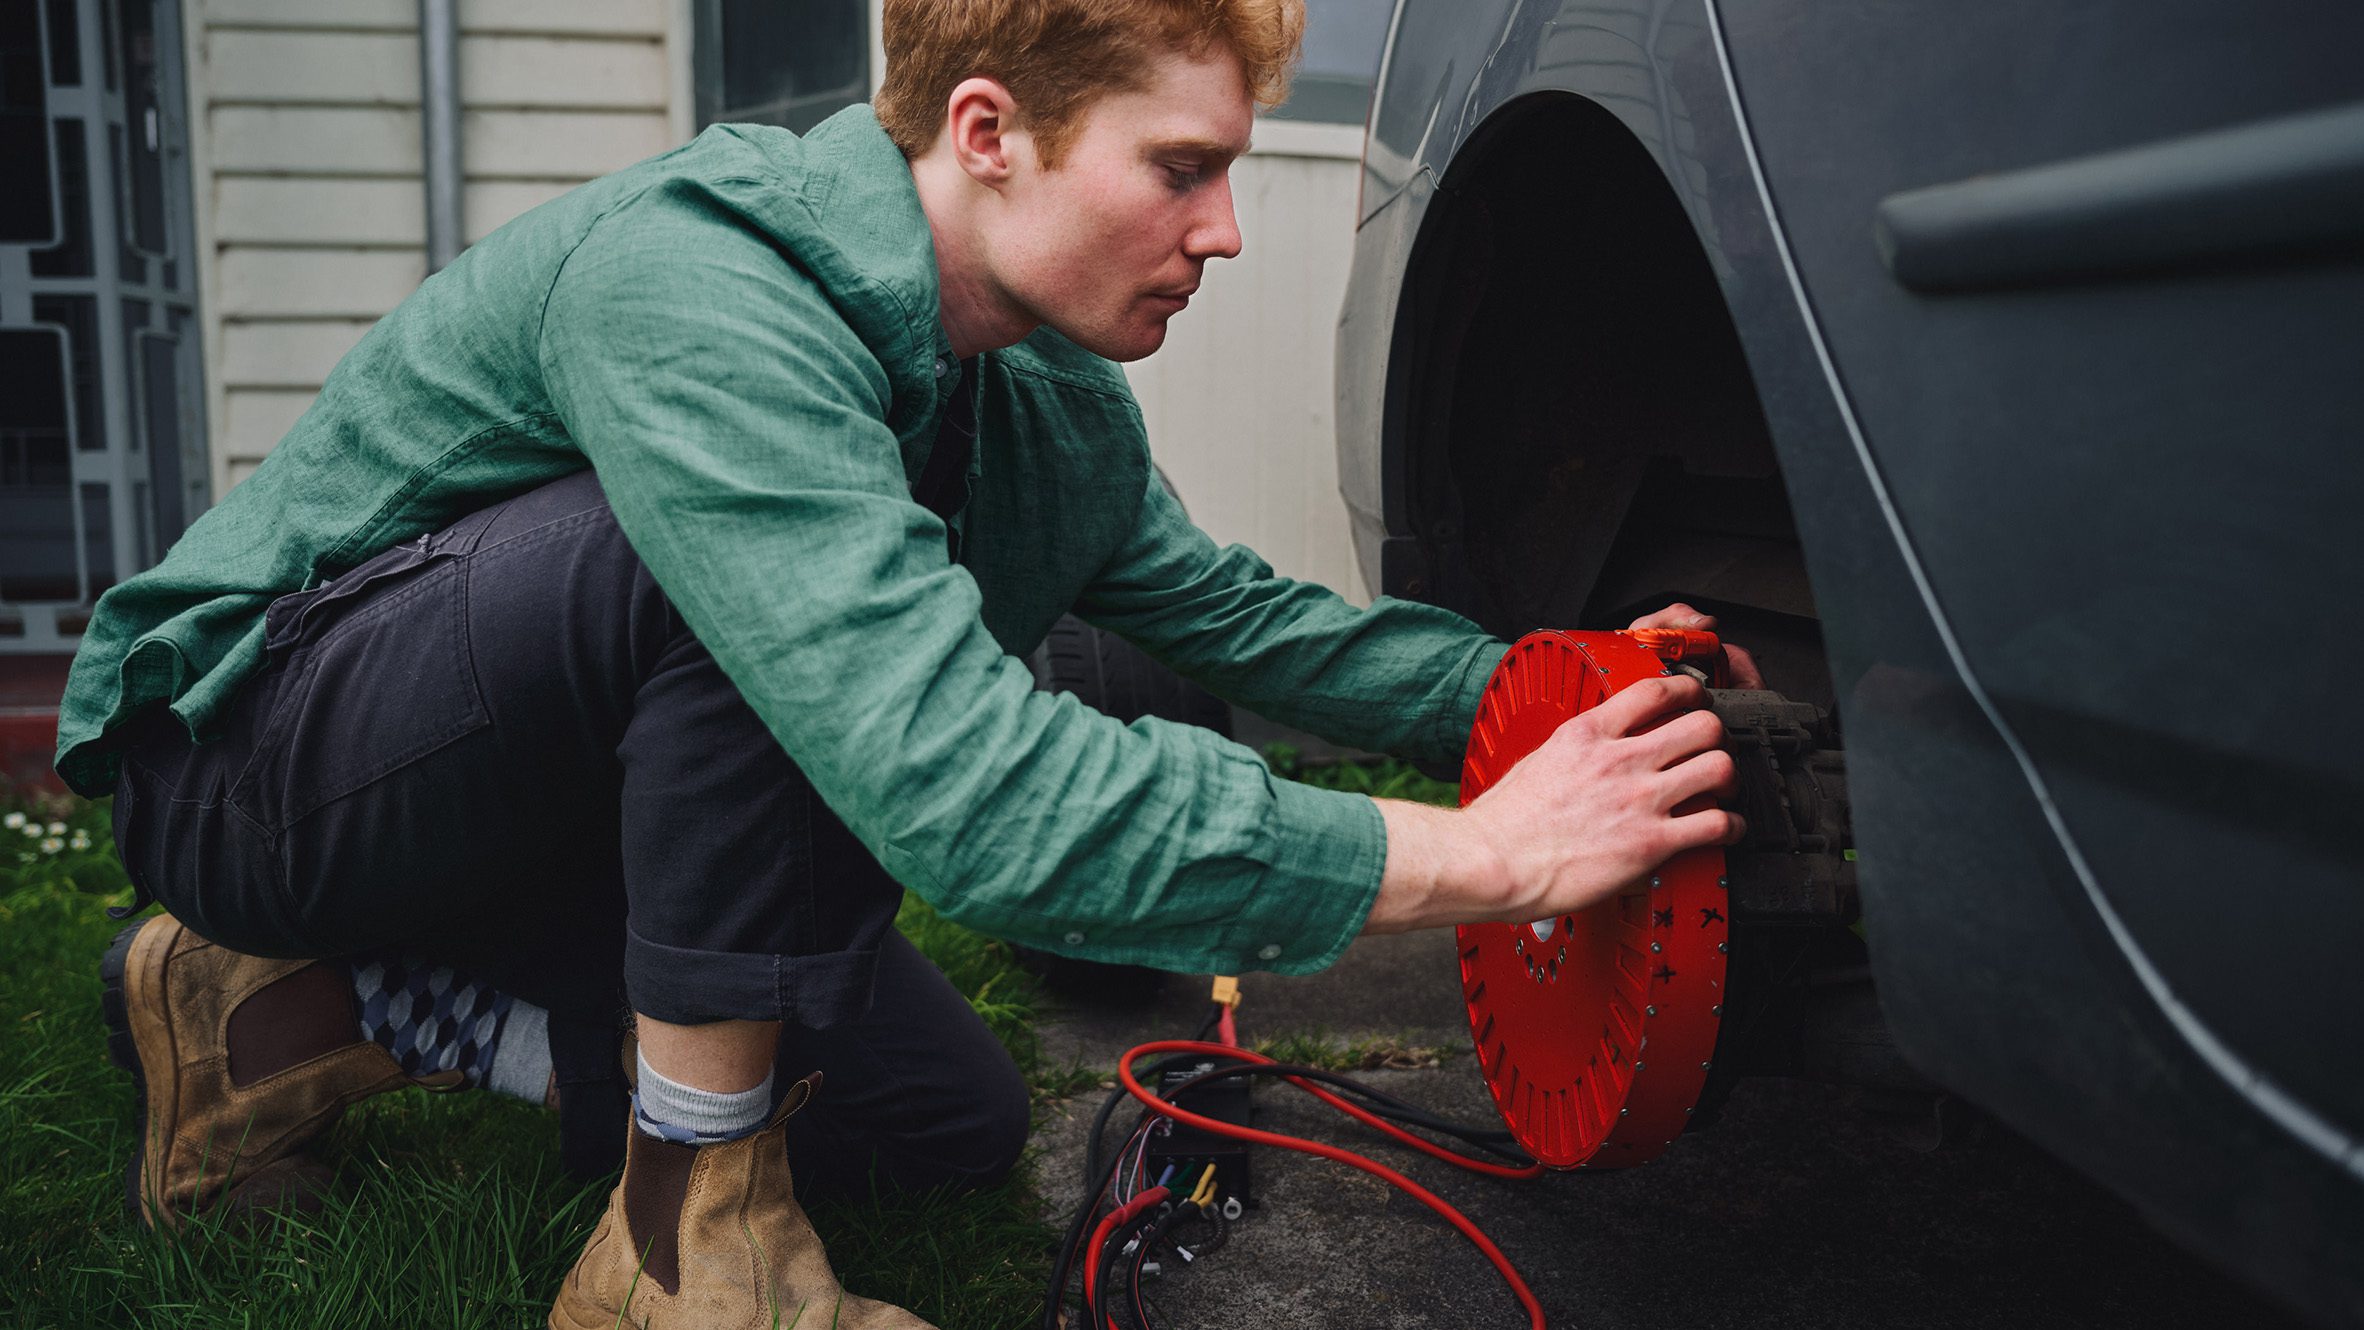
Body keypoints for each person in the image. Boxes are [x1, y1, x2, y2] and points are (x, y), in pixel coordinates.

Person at [57, 0, 1754, 1325]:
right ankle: (677, 1260)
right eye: (1181, 169)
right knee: (754, 592)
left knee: (932, 1115)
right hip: (253, 764)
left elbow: (1237, 618)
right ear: (989, 131)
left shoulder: (1043, 393)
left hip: (502, 797)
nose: (1226, 230)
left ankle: (281, 1005)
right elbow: (965, 791)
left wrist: (1561, 689)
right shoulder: (708, 288)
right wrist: (1484, 854)